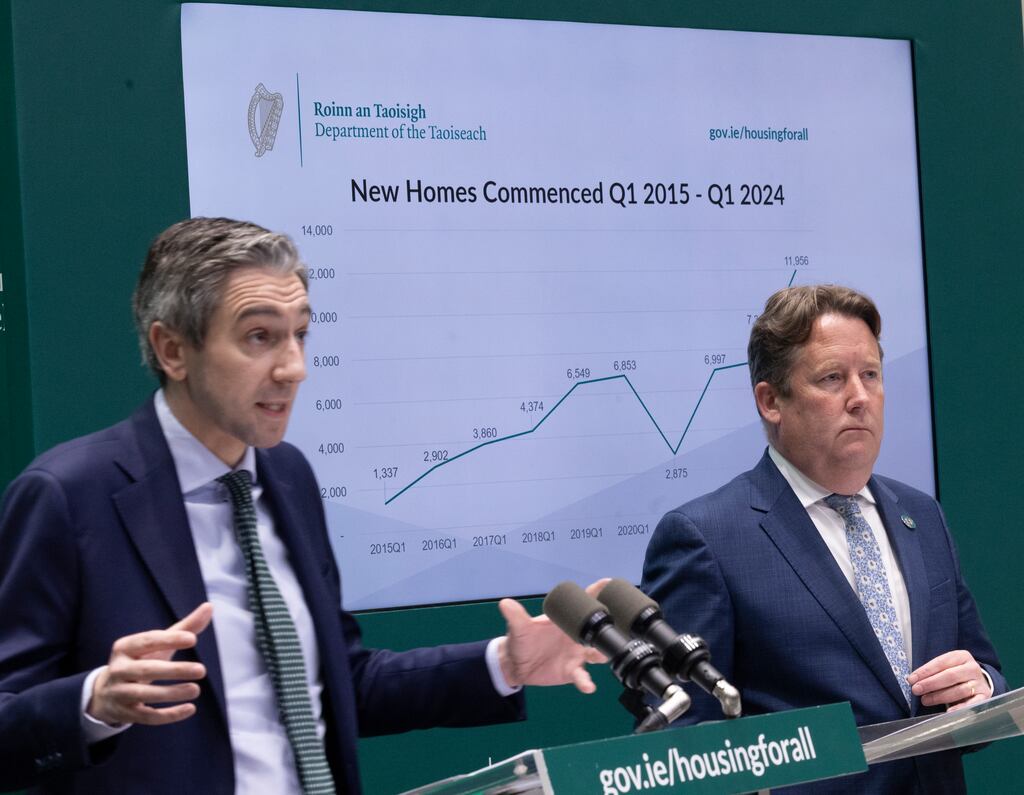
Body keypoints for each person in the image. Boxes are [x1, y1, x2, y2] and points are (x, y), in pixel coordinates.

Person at [0, 218, 602, 794]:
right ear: (172, 349)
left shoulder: (288, 475)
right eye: (259, 336)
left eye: (300, 334)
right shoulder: (69, 495)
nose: (294, 368)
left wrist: (504, 662)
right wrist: (94, 701)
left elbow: (341, 684)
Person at [641, 284, 1006, 793]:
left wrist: (981, 688)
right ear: (771, 401)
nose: (860, 398)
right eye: (832, 378)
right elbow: (681, 744)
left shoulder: (921, 515)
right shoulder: (706, 539)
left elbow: (981, 669)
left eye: (871, 375)